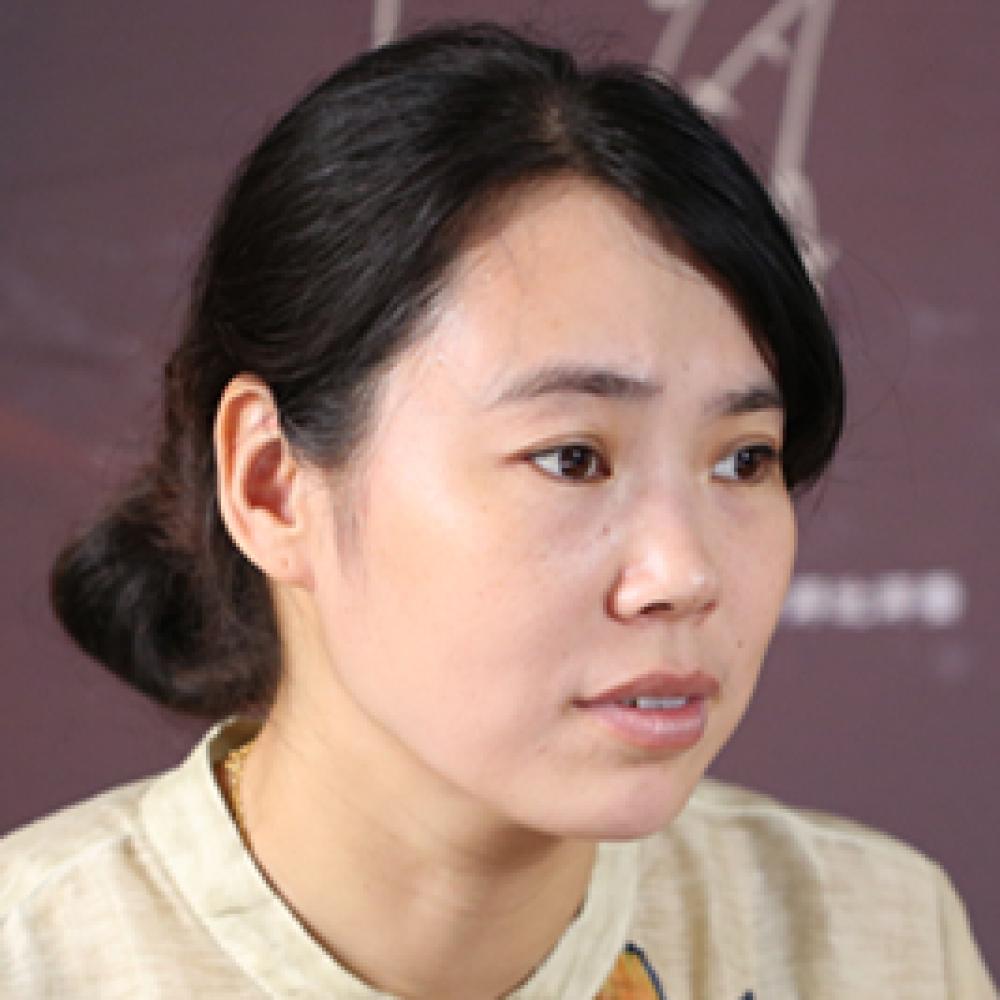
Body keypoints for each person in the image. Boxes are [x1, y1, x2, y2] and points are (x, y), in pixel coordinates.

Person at [0, 22, 993, 1000]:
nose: (684, 573)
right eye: (572, 458)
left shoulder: (869, 943)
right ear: (271, 484)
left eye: (743, 460)